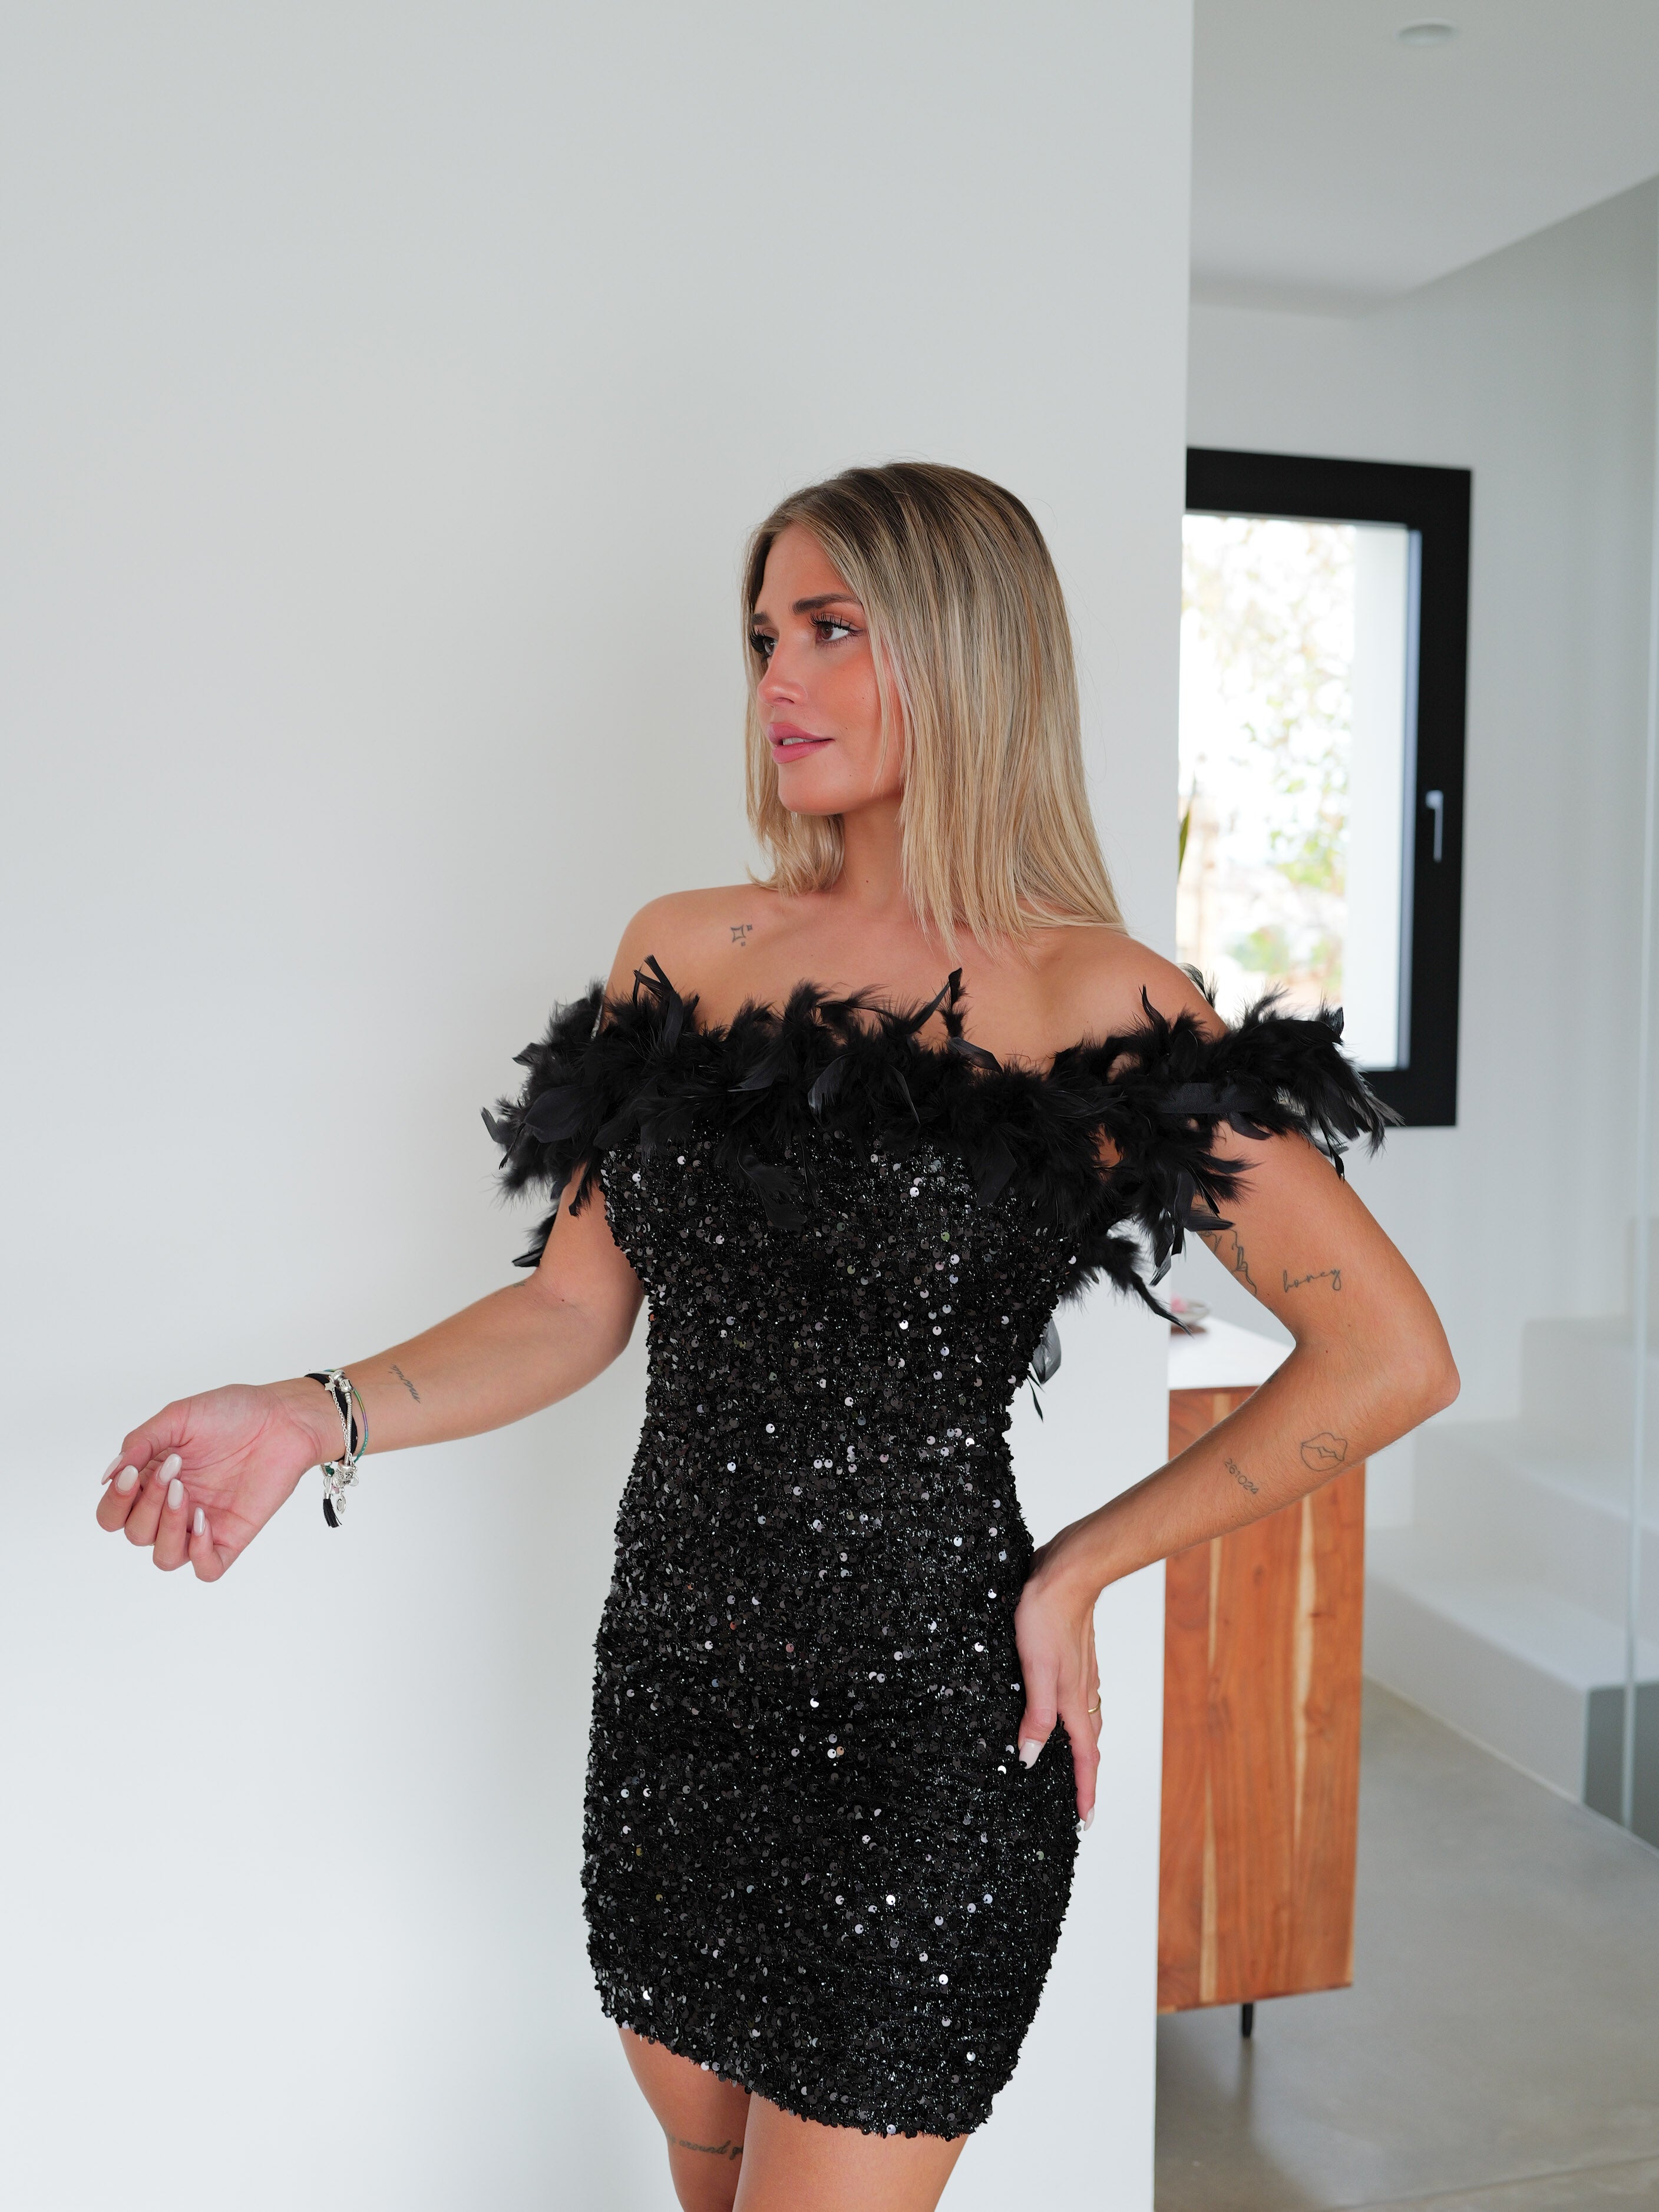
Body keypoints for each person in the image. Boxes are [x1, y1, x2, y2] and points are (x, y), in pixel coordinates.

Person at [95, 462, 1457, 2212]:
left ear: (962, 652)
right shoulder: (688, 949)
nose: (776, 681)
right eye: (762, 639)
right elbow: (571, 1305)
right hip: (674, 1705)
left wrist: (1083, 1566)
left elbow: (1388, 1353)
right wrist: (309, 1410)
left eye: (830, 629)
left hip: (926, 1732)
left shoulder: (1096, 998)